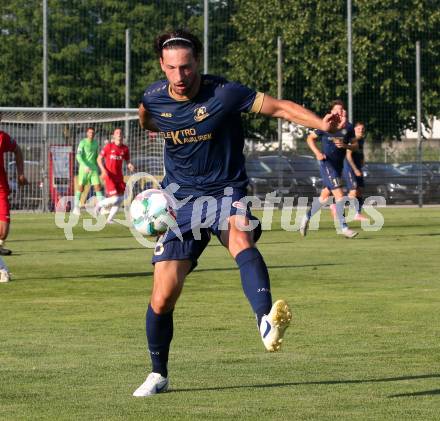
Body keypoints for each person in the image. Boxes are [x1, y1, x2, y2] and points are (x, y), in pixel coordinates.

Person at [133, 29, 346, 397]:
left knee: (239, 236)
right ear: (161, 66)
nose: (180, 76)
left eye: (186, 67)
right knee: (162, 296)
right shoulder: (153, 98)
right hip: (180, 200)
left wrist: (320, 125)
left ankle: (265, 320)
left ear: (197, 61)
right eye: (172, 68)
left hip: (225, 190)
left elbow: (279, 107)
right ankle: (158, 374)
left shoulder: (224, 93)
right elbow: (147, 119)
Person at [299, 100, 359, 238]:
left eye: (342, 109)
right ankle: (343, 227)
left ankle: (306, 218)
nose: (340, 111)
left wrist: (345, 146)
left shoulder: (348, 127)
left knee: (324, 196)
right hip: (327, 164)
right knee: (340, 196)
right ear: (331, 112)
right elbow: (310, 138)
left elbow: (355, 146)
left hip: (338, 166)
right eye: (337, 109)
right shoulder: (325, 124)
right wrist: (318, 153)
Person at [0, 122, 28, 282]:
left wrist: (21, 173)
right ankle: (3, 270)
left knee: (3, 231)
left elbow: (17, 150)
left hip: (1, 188)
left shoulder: (2, 138)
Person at [96, 128, 134, 224]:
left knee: (121, 198)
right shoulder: (109, 146)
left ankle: (109, 219)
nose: (119, 134)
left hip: (119, 177)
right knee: (115, 198)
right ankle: (99, 205)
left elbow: (127, 160)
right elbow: (99, 159)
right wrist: (103, 170)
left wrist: (130, 165)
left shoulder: (125, 148)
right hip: (109, 176)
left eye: (120, 132)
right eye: (117, 133)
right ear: (114, 135)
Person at [72, 127, 104, 215]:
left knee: (98, 187)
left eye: (93, 133)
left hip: (93, 169)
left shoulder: (96, 143)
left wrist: (101, 167)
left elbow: (97, 156)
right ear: (87, 133)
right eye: (90, 132)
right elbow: (78, 156)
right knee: (81, 188)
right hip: (84, 169)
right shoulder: (82, 142)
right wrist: (85, 165)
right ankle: (76, 208)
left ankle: (101, 208)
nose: (91, 134)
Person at [343, 122, 368, 221]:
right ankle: (338, 206)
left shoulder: (361, 140)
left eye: (362, 129)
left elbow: (361, 152)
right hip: (350, 168)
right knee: (353, 191)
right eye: (358, 129)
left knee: (360, 190)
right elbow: (348, 156)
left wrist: (362, 161)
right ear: (354, 130)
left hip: (358, 167)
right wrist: (355, 169)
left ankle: (357, 214)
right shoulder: (352, 140)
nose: (361, 131)